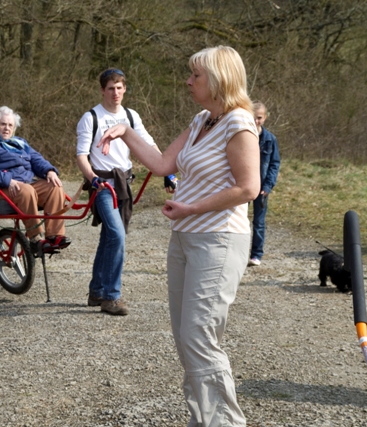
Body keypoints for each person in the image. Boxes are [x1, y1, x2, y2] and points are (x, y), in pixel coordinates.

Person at [98, 46, 260, 426]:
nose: (188, 81)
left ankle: (225, 423)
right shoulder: (203, 120)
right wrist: (125, 131)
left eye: (196, 75)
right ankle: (203, 420)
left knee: (199, 338)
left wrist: (191, 208)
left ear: (219, 79)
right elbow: (161, 163)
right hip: (184, 240)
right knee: (186, 340)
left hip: (218, 241)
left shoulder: (240, 123)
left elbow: (249, 188)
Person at [76, 68, 160, 316]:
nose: (115, 92)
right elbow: (81, 155)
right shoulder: (91, 118)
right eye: (111, 88)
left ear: (125, 89)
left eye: (119, 87)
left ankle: (97, 291)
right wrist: (92, 179)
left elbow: (149, 144)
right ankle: (111, 297)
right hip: (102, 186)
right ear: (103, 90)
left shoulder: (131, 116)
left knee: (110, 237)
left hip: (124, 183)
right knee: (117, 235)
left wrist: (168, 170)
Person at [0, 106, 70, 252]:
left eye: (10, 125)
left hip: (22, 186)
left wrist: (49, 171)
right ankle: (35, 239)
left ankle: (55, 236)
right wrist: (7, 180)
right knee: (25, 190)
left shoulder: (19, 143)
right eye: (3, 124)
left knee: (54, 186)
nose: (6, 128)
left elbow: (36, 159)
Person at [247, 101, 280, 267]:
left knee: (259, 224)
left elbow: (274, 164)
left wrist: (268, 186)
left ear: (265, 118)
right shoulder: (243, 136)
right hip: (243, 185)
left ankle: (256, 255)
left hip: (261, 188)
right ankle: (238, 253)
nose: (255, 121)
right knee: (239, 220)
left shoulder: (270, 139)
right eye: (252, 117)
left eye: (259, 118)